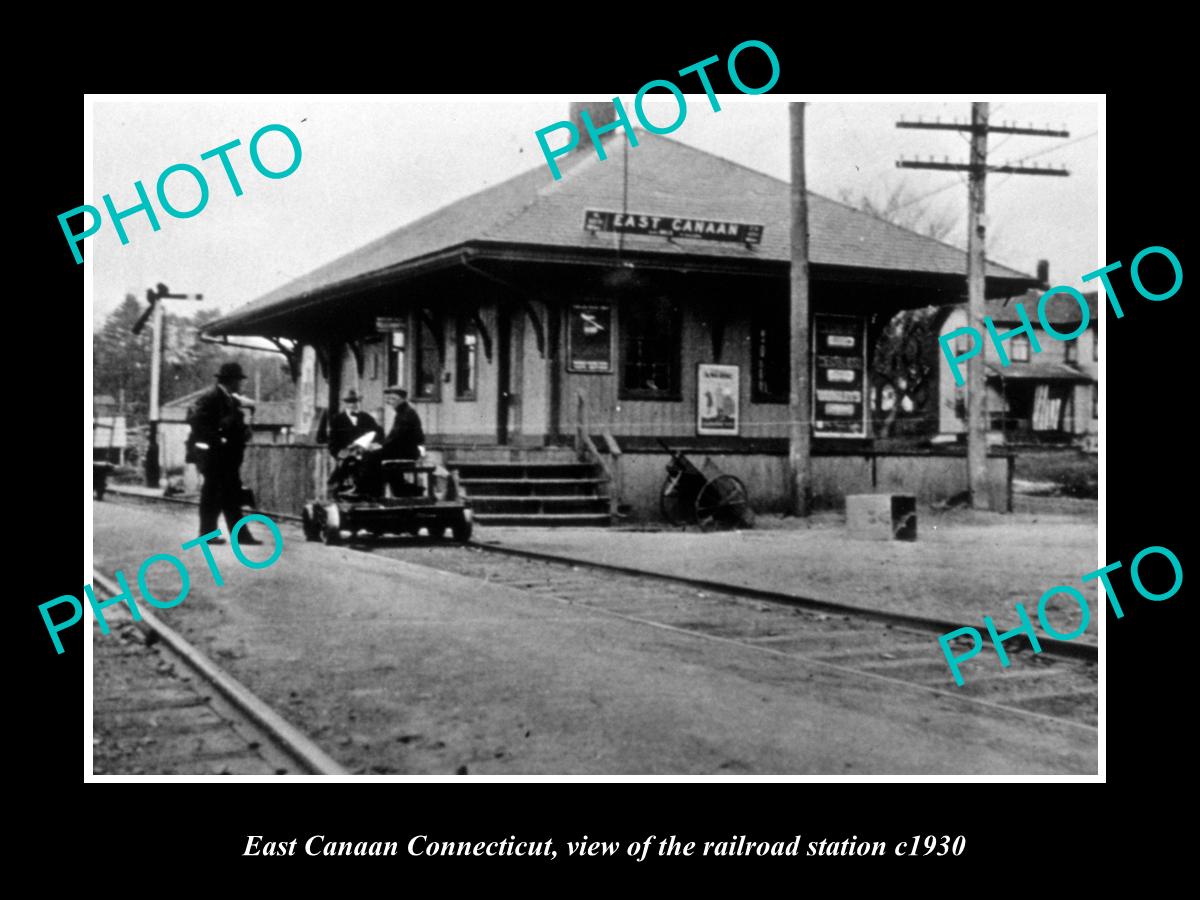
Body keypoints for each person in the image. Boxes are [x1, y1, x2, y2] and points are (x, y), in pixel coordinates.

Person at [187, 362, 261, 544]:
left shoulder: (227, 398)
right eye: (239, 380)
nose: (241, 384)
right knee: (215, 494)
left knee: (229, 495)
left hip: (225, 457)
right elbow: (196, 421)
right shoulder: (212, 397)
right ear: (232, 381)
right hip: (214, 456)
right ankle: (214, 535)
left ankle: (237, 535)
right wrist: (218, 439)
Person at [359, 386, 425, 496]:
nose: (390, 402)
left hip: (407, 451)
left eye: (394, 399)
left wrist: (381, 446)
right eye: (389, 399)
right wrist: (380, 445)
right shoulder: (403, 412)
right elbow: (393, 437)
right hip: (402, 449)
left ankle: (371, 492)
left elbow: (397, 438)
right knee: (370, 454)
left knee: (371, 456)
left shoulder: (407, 414)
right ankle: (372, 490)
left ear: (403, 399)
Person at [328, 390, 382, 457]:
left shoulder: (367, 417)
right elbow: (332, 442)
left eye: (354, 401)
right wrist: (339, 455)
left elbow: (378, 434)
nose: (352, 404)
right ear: (344, 403)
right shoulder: (337, 420)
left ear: (358, 402)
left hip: (365, 457)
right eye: (349, 402)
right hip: (346, 457)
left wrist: (371, 446)